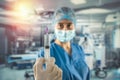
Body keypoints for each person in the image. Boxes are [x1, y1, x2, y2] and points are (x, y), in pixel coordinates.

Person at [33, 7, 90, 80]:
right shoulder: (45, 53)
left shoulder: (79, 49)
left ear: (74, 26)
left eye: (69, 25)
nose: (65, 29)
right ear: (54, 27)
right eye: (60, 25)